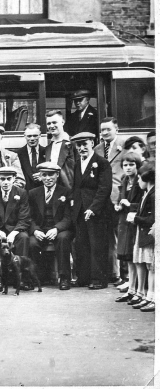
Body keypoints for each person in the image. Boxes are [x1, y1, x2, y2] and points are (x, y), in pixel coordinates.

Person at [70, 132, 113, 289]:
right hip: (80, 210)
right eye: (79, 145)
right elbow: (76, 187)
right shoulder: (76, 163)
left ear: (92, 143)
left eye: (85, 144)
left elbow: (104, 188)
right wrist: (74, 206)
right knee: (82, 244)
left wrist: (93, 208)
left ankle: (98, 279)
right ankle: (84, 277)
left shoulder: (101, 163)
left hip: (97, 211)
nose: (82, 148)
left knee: (97, 245)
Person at [28, 163, 74, 290]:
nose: (47, 178)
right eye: (44, 175)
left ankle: (64, 277)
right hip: (41, 230)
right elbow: (29, 217)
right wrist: (35, 230)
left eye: (51, 175)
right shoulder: (33, 193)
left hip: (59, 230)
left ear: (57, 175)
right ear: (40, 176)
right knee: (32, 243)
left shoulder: (65, 192)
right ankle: (39, 277)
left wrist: (57, 228)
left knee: (63, 238)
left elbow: (68, 217)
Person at [94, 117, 128, 286]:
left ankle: (125, 275)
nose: (105, 132)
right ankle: (113, 273)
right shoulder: (97, 149)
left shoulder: (124, 147)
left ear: (117, 129)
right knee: (107, 237)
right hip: (102, 199)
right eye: (102, 130)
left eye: (108, 129)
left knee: (121, 235)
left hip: (118, 197)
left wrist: (122, 197)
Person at [0, 166, 32, 290]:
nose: (5, 182)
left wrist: (14, 233)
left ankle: (21, 278)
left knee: (24, 238)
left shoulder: (21, 193)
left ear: (14, 179)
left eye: (9, 179)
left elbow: (24, 217)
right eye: (2, 179)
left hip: (14, 229)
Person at [113, 152, 144, 302]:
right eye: (125, 165)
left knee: (135, 257)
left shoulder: (141, 181)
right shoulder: (125, 180)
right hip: (124, 222)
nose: (128, 168)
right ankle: (131, 289)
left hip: (135, 223)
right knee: (128, 258)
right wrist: (118, 205)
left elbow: (147, 205)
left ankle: (138, 290)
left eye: (131, 164)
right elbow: (121, 199)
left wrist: (129, 205)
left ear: (137, 166)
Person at [127, 162, 155, 312]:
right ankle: (146, 296)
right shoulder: (148, 193)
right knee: (147, 265)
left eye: (139, 178)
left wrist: (136, 218)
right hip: (143, 234)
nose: (138, 181)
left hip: (149, 235)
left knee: (151, 266)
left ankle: (151, 297)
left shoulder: (153, 195)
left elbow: (153, 219)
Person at [44, 110, 76, 189]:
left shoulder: (73, 143)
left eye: (54, 122)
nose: (51, 126)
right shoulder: (48, 148)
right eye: (49, 123)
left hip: (70, 190)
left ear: (62, 122)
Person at [16, 123, 46, 191]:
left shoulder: (47, 152)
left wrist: (43, 176)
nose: (32, 138)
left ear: (40, 135)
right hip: (25, 193)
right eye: (29, 136)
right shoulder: (17, 154)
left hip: (43, 192)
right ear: (25, 136)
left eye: (35, 136)